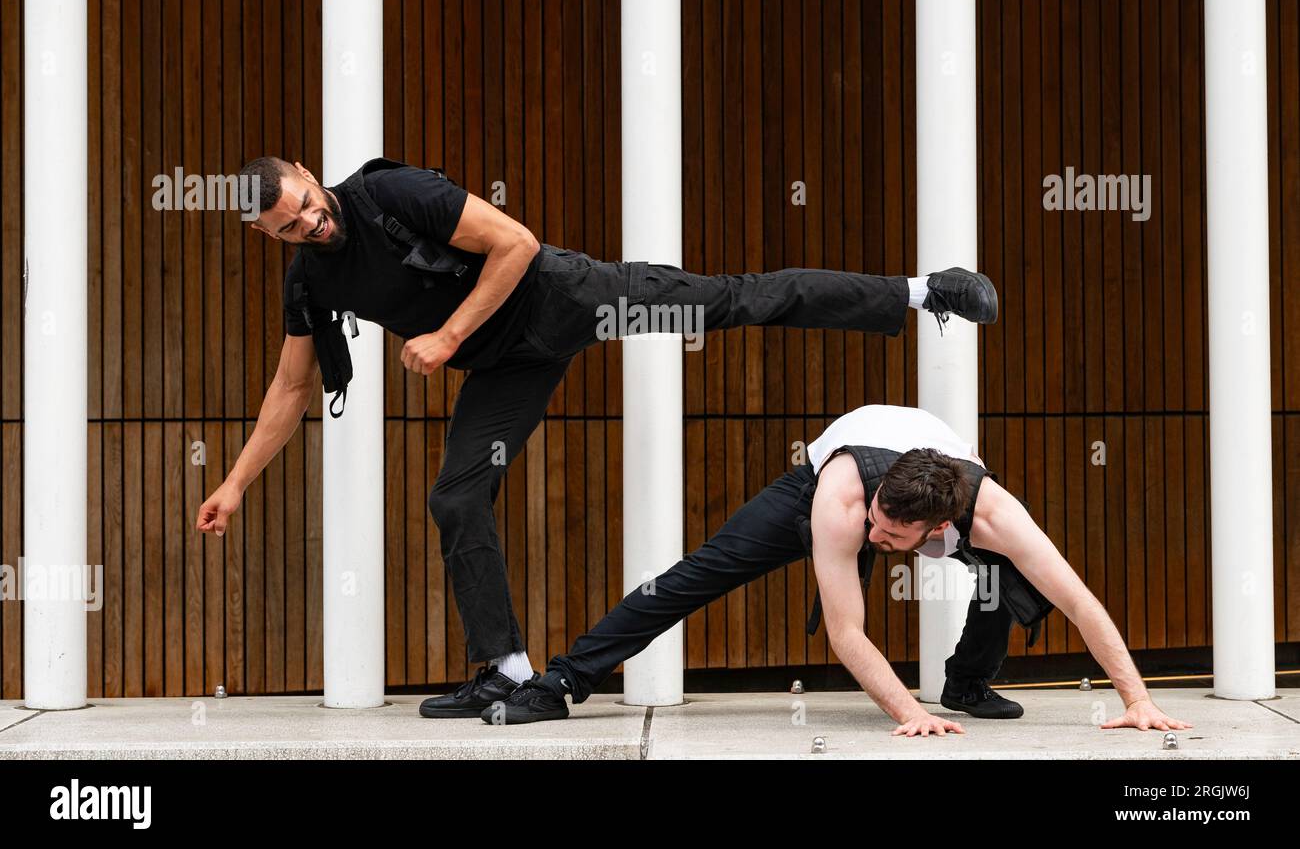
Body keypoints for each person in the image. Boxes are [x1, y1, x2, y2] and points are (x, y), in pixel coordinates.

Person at [194, 156, 999, 717]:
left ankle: (922, 290)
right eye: (289, 228)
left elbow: (516, 245)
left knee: (731, 299)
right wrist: (234, 483)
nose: (309, 223)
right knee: (455, 497)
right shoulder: (312, 278)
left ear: (305, 174)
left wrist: (443, 339)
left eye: (303, 204)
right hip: (504, 369)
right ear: (269, 238)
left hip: (564, 298)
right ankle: (504, 669)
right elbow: (293, 386)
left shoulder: (386, 193)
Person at [482, 404, 1192, 737]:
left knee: (1012, 583)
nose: (874, 536)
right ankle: (563, 680)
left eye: (890, 535)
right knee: (697, 573)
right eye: (875, 523)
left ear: (936, 528)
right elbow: (847, 632)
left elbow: (1081, 599)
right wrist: (909, 715)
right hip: (821, 480)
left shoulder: (994, 515)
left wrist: (1137, 699)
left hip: (938, 503)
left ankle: (967, 685)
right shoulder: (843, 500)